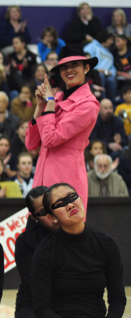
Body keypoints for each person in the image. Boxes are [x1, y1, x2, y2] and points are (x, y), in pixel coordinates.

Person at [33, 182, 131, 318]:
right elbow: (42, 310)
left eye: (72, 197)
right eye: (60, 203)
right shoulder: (45, 251)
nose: (69, 204)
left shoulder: (106, 244)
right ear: (52, 217)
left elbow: (118, 299)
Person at [27, 45, 101, 211]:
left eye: (75, 65)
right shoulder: (57, 97)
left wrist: (50, 103)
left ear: (86, 67)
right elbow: (31, 144)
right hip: (41, 177)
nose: (69, 70)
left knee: (62, 232)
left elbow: (50, 139)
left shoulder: (88, 105)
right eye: (64, 67)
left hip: (66, 178)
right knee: (37, 233)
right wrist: (39, 107)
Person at [14, 186, 56, 318]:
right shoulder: (25, 242)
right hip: (33, 307)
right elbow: (33, 286)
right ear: (33, 217)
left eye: (53, 206)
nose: (51, 214)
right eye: (43, 212)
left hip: (72, 305)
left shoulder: (78, 234)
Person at [84, 31, 118, 100]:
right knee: (100, 75)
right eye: (110, 39)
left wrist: (111, 72)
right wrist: (96, 69)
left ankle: (110, 102)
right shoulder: (92, 46)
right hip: (94, 72)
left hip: (107, 74)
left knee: (112, 80)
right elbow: (86, 59)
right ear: (104, 39)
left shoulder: (110, 54)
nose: (112, 42)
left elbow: (113, 68)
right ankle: (102, 100)